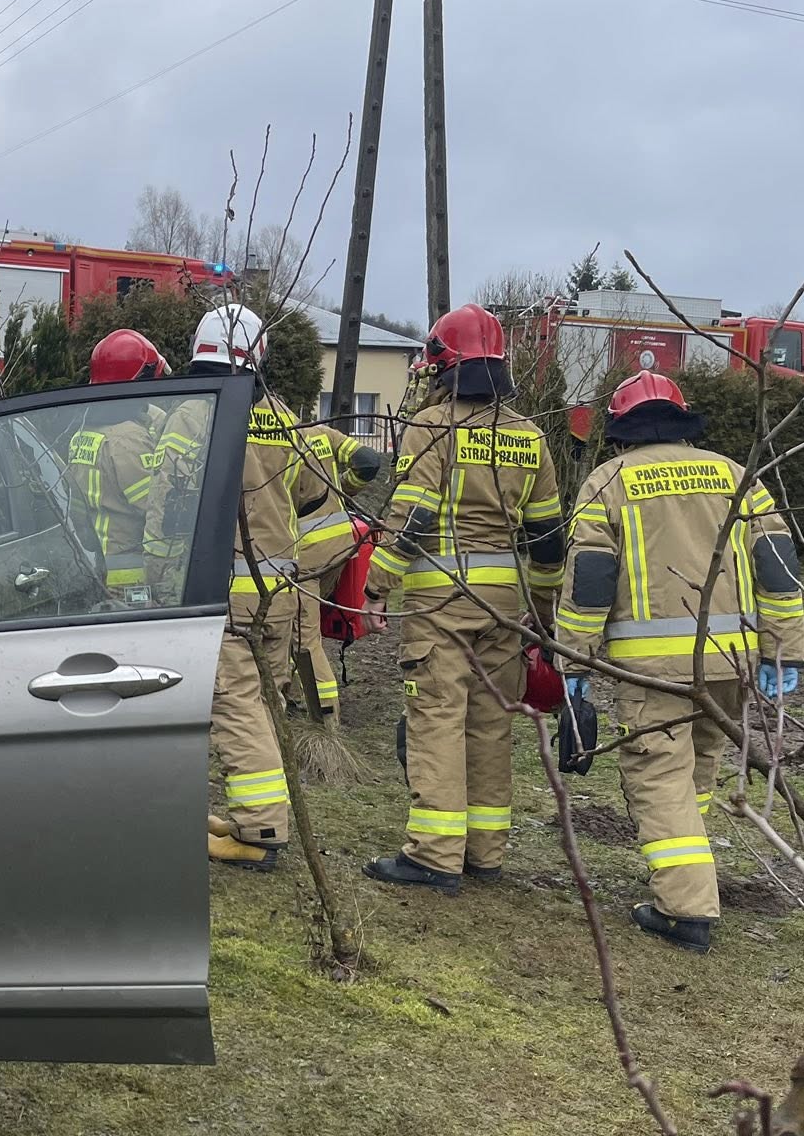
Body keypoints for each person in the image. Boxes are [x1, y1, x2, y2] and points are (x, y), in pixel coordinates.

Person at [554, 370, 804, 953]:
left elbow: (591, 581)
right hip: (732, 661)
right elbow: (778, 567)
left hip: (652, 669)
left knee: (660, 778)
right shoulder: (733, 476)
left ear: (621, 430)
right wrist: (783, 649)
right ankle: (685, 874)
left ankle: (685, 908)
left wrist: (575, 662)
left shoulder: (608, 481)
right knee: (696, 772)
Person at [362, 303, 566, 895]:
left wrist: (376, 586)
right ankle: (484, 852)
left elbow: (415, 515)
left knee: (437, 722)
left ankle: (433, 855)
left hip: (441, 605)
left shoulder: (433, 425)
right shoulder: (530, 438)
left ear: (443, 365)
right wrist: (544, 613)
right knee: (490, 725)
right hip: (508, 607)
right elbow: (548, 538)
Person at [146, 303, 333, 871]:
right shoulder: (282, 416)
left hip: (224, 596)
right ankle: (265, 815)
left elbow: (166, 510)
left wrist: (160, 588)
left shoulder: (192, 416)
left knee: (234, 708)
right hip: (280, 594)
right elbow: (312, 494)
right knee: (265, 703)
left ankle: (259, 831)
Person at [291, 426, 382, 718]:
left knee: (302, 636)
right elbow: (368, 460)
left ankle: (326, 717)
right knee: (302, 625)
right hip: (340, 542)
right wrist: (343, 489)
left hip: (305, 553)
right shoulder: (318, 431)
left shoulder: (275, 437)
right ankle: (293, 694)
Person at [73, 330, 169, 606]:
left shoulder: (84, 431)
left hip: (101, 565)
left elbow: (77, 511)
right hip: (133, 573)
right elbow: (153, 505)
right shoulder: (128, 439)